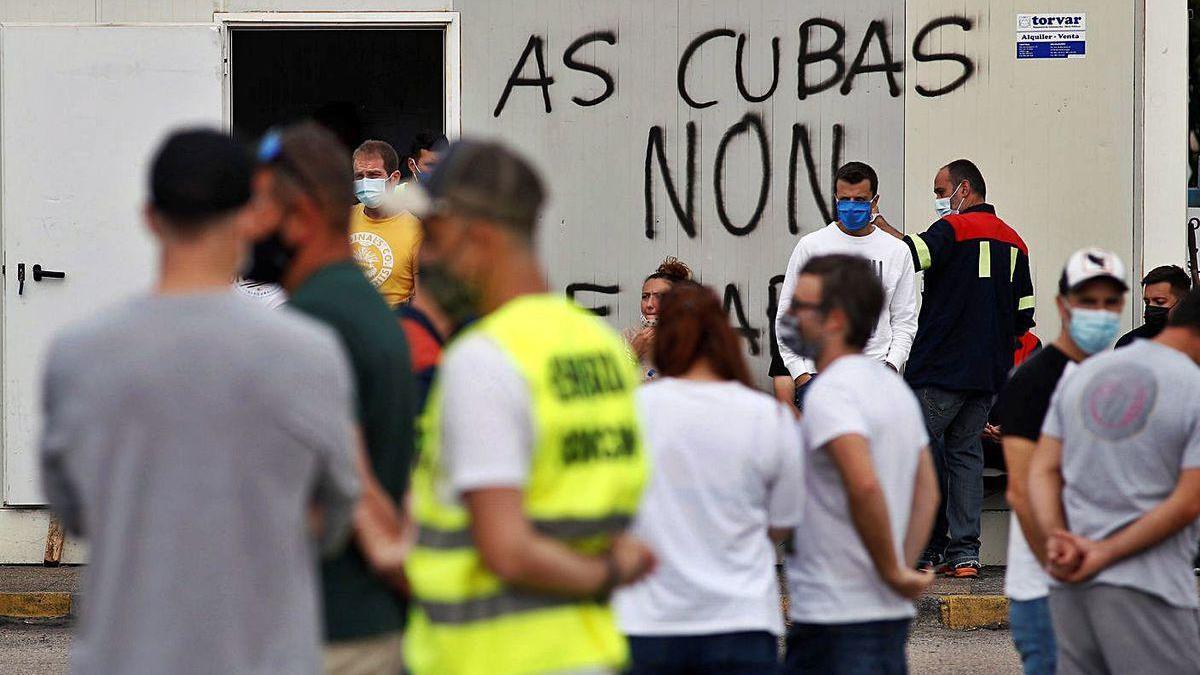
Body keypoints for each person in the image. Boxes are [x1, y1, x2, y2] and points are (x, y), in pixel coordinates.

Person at [39, 129, 360, 674]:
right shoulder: (309, 353)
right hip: (267, 657)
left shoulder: (78, 355)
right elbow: (336, 512)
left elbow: (75, 511)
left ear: (150, 217)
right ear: (250, 214)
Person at [403, 139, 656, 675]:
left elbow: (507, 550)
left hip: (488, 659)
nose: (422, 256)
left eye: (433, 236)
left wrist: (603, 573)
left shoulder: (485, 358)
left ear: (478, 237)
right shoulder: (603, 347)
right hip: (588, 651)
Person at [247, 122, 416, 675]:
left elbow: (325, 487)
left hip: (326, 633)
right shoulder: (361, 309)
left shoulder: (315, 321)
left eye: (264, 208)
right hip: (359, 623)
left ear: (301, 216)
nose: (251, 226)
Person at [614, 282, 804, 675]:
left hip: (650, 619)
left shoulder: (631, 413)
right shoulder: (765, 415)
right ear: (721, 337)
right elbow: (785, 518)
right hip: (743, 620)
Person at [780, 254, 939, 675]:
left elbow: (863, 484)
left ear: (834, 319)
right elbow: (927, 488)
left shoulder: (830, 393)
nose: (791, 316)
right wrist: (899, 571)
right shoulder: (893, 390)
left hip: (834, 617)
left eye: (802, 306)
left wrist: (891, 570)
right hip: (884, 615)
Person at [1028, 288, 1200, 675]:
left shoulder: (1088, 373)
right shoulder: (1192, 386)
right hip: (1148, 587)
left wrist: (1055, 536)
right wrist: (1104, 553)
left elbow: (1041, 469)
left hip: (1070, 586)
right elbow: (1190, 501)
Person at [878, 159, 1035, 578]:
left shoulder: (954, 229)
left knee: (912, 451)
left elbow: (908, 254)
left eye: (939, 191)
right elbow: (1024, 315)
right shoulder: (1016, 243)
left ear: (963, 190)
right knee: (964, 456)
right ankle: (965, 554)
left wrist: (878, 223)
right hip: (987, 376)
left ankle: (917, 549)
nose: (938, 200)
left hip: (940, 370)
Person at [992, 248, 1129, 675]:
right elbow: (1022, 490)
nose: (1100, 313)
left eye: (1110, 302)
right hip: (1049, 588)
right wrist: (1063, 567)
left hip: (1109, 581)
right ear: (1062, 304)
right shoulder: (1034, 381)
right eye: (1088, 302)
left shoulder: (1119, 379)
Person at [775, 161, 917, 409]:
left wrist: (891, 366)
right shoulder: (812, 246)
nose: (852, 207)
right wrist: (801, 375)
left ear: (875, 201)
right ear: (835, 198)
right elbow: (788, 313)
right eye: (845, 200)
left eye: (860, 200)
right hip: (819, 378)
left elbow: (904, 319)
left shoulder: (897, 251)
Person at [350, 139, 422, 307]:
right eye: (359, 176)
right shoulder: (343, 220)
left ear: (394, 178)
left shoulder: (416, 230)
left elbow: (422, 301)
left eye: (374, 175)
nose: (365, 182)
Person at [623, 257, 693, 381]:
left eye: (659, 297)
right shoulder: (629, 336)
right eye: (645, 296)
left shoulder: (693, 339)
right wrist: (631, 354)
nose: (649, 304)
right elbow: (606, 386)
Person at [1114, 264, 1192, 348]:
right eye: (1147, 302)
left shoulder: (1194, 343)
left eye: (1159, 302)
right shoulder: (1128, 343)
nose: (1150, 307)